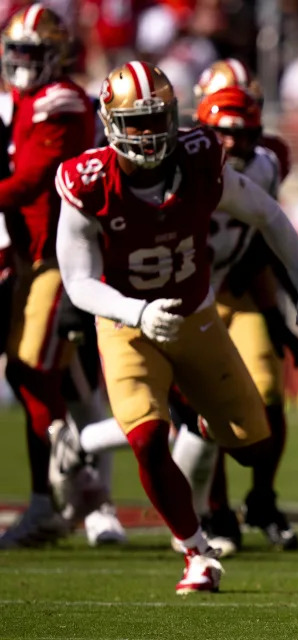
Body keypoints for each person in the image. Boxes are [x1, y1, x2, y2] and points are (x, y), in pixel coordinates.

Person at [53, 61, 298, 593]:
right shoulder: (87, 181)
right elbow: (77, 283)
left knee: (254, 444)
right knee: (147, 437)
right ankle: (196, 552)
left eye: (156, 119)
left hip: (195, 314)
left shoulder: (198, 158)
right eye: (136, 121)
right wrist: (137, 313)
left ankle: (108, 436)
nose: (148, 133)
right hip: (127, 321)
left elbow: (267, 214)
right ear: (112, 122)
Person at [0, 4, 95, 549]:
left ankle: (71, 480)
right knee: (34, 375)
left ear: (55, 56)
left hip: (62, 256)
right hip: (27, 255)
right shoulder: (20, 99)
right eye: (16, 53)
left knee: (33, 365)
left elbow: (35, 178)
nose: (22, 64)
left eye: (32, 54)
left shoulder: (60, 102)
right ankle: (70, 486)